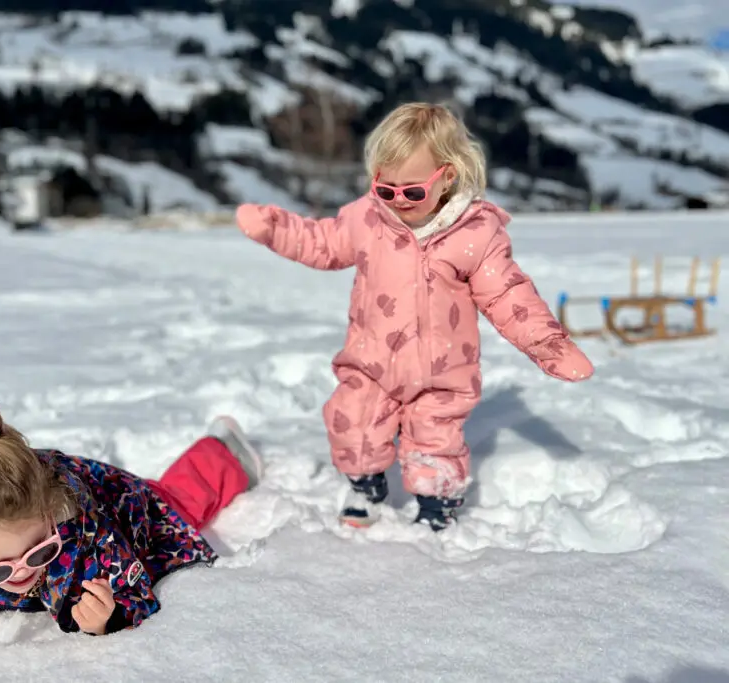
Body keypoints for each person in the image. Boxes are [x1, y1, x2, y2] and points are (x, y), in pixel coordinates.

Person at [234, 102, 594, 531]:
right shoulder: (367, 219)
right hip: (371, 363)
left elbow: (507, 295)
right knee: (353, 426)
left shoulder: (476, 235)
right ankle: (366, 485)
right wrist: (275, 228)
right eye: (386, 189)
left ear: (448, 175)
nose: (397, 201)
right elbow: (322, 242)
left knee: (435, 440)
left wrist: (549, 345)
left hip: (444, 372)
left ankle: (437, 504)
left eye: (413, 191)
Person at [0, 392, 263, 633]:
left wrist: (107, 619)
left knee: (174, 500)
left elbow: (134, 591)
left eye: (40, 552)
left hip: (120, 504)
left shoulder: (88, 534)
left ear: (50, 514)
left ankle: (225, 451)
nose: (22, 572)